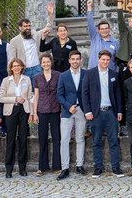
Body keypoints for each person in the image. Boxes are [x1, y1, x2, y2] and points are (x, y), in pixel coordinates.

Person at [83, 49, 124, 177]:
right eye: (103, 59)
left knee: (113, 141)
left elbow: (118, 94)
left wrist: (119, 111)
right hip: (96, 113)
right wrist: (88, 111)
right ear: (98, 59)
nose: (105, 62)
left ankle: (116, 167)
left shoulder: (114, 74)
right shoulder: (90, 74)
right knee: (96, 141)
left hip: (110, 112)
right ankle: (98, 168)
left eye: (107, 60)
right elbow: (85, 94)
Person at [0, 58, 33, 178]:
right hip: (10, 111)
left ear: (22, 67)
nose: (16, 68)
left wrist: (32, 113)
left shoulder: (27, 79)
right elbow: (1, 98)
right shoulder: (6, 80)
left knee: (23, 139)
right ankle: (9, 169)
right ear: (11, 68)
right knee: (10, 140)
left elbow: (30, 97)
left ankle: (22, 168)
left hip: (24, 110)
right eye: (14, 66)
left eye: (18, 65)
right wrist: (15, 99)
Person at [56, 50, 87, 180]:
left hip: (81, 110)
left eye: (77, 59)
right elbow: (59, 95)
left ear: (80, 60)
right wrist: (69, 106)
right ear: (69, 60)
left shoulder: (86, 74)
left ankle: (80, 165)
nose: (75, 61)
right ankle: (65, 168)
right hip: (67, 112)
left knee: (80, 138)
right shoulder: (63, 76)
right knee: (64, 140)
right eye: (73, 59)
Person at [32, 53, 61, 176]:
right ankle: (42, 167)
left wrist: (61, 111)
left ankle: (57, 166)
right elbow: (36, 96)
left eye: (48, 62)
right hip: (42, 111)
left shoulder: (58, 75)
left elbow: (60, 92)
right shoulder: (37, 77)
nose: (46, 64)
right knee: (42, 139)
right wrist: (34, 113)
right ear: (41, 64)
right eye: (43, 62)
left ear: (51, 62)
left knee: (56, 138)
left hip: (55, 110)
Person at [7, 3, 54, 78]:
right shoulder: (14, 41)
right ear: (20, 28)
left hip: (37, 68)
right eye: (25, 26)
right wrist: (10, 75)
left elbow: (47, 28)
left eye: (29, 26)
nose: (28, 28)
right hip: (24, 70)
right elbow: (12, 59)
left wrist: (50, 15)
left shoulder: (36, 34)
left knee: (38, 89)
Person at [85, 0, 119, 70]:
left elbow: (117, 60)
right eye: (102, 29)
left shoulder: (115, 42)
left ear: (109, 29)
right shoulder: (95, 37)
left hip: (109, 73)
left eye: (106, 28)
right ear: (98, 30)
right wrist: (89, 7)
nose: (104, 30)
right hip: (93, 72)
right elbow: (90, 23)